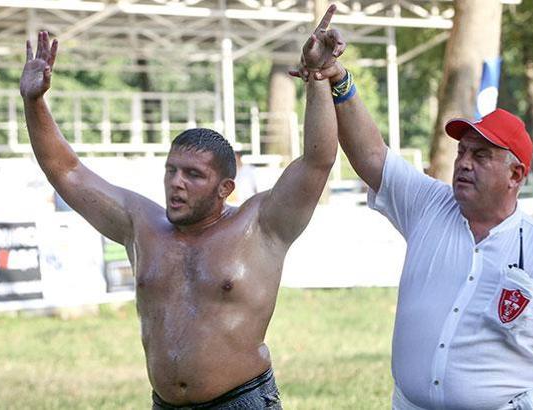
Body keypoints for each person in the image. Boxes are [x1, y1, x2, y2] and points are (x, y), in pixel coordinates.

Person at [20, 16, 338, 409]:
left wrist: (320, 78)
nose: (176, 182)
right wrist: (34, 103)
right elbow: (66, 171)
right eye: (171, 170)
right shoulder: (140, 224)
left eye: (193, 175)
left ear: (225, 188)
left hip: (242, 401)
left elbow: (317, 161)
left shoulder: (260, 225)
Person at [292, 12, 533, 410]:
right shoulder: (429, 204)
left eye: (481, 155)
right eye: (462, 151)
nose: (464, 162)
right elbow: (371, 154)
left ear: (516, 175)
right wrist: (337, 77)